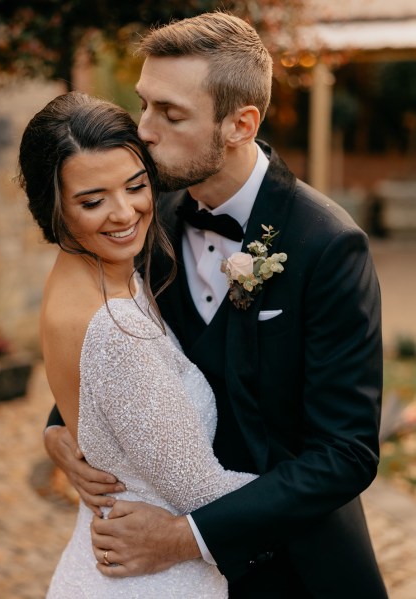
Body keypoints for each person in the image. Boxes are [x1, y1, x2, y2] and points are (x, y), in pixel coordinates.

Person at [44, 12, 388, 599]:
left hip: (298, 568)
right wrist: (59, 426)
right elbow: (122, 343)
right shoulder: (148, 217)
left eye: (170, 114)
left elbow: (346, 454)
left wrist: (186, 536)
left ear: (240, 124)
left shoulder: (328, 245)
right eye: (144, 104)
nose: (143, 132)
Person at [19, 90, 261, 598]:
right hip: (152, 580)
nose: (125, 213)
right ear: (53, 204)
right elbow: (200, 491)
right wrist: (318, 486)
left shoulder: (96, 273)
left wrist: (57, 430)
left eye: (135, 186)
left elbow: (100, 401)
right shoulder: (112, 329)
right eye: (92, 201)